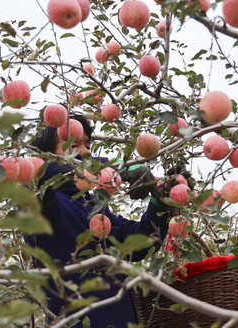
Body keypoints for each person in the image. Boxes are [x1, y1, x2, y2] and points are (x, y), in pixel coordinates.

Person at [25, 115, 172, 327]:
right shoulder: (42, 205)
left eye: (87, 144)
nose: (86, 152)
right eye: (73, 145)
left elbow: (138, 246)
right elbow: (37, 174)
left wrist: (161, 205)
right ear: (46, 155)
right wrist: (113, 168)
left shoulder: (93, 207)